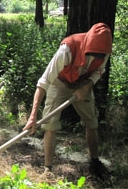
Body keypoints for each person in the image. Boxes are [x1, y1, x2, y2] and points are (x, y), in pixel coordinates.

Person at [23, 22, 112, 180]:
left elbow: (99, 71)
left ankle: (95, 162)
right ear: (88, 43)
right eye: (92, 53)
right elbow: (44, 82)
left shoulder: (104, 51)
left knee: (92, 123)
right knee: (50, 124)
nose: (95, 57)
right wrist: (33, 115)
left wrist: (87, 86)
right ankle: (48, 169)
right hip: (60, 83)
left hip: (83, 84)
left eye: (100, 55)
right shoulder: (68, 49)